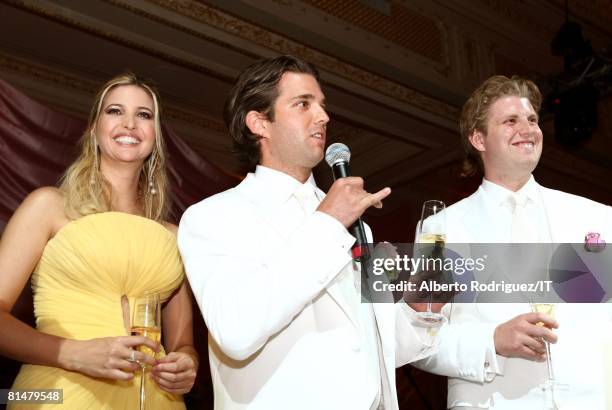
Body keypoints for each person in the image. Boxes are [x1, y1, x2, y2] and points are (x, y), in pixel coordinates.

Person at [178, 55, 442, 409]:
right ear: (259, 123)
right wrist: (329, 222)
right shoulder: (213, 216)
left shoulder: (356, 222)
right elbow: (236, 331)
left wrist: (420, 307)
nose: (323, 117)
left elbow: (377, 347)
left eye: (322, 105)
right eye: (303, 104)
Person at [413, 75, 612, 409]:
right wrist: (492, 341)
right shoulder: (440, 229)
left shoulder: (598, 219)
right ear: (478, 138)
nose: (528, 128)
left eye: (532, 119)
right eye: (510, 121)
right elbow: (419, 339)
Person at [0, 73, 198, 408]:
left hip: (155, 400)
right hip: (56, 393)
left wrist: (185, 365)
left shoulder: (173, 236)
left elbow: (183, 343)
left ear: (155, 136)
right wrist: (72, 354)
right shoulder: (48, 206)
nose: (130, 123)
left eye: (144, 115)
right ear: (94, 130)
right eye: (115, 111)